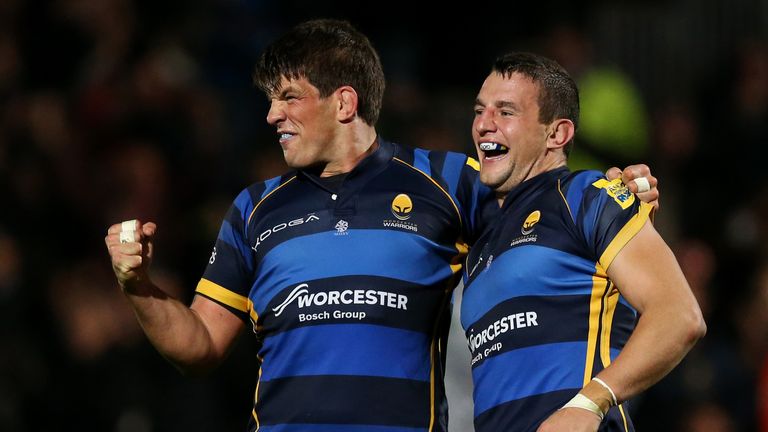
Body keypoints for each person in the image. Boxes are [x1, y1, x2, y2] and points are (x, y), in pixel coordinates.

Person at [105, 20, 658, 431]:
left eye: (289, 98)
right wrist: (139, 287)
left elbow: (547, 201)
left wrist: (616, 189)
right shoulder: (254, 209)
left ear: (344, 102)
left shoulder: (447, 181)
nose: (272, 115)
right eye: (271, 101)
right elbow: (199, 346)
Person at [460, 52, 706, 432]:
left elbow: (679, 316)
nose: (483, 124)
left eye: (505, 112)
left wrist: (589, 403)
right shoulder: (482, 242)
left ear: (556, 134)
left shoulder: (587, 196)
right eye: (480, 110)